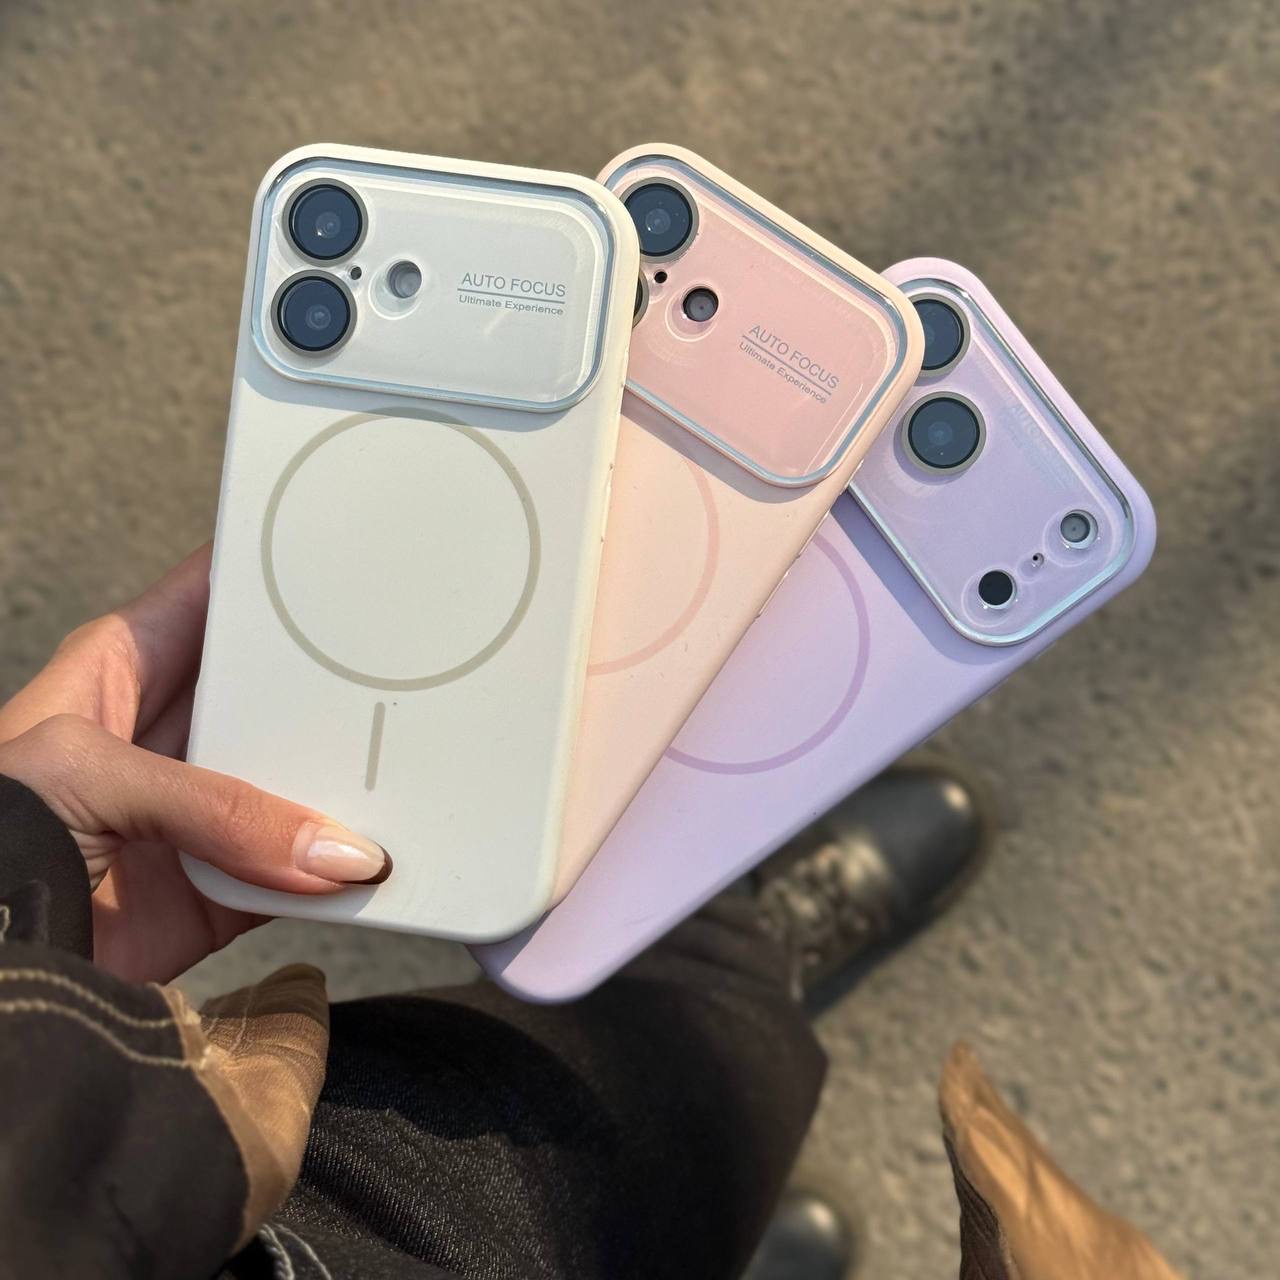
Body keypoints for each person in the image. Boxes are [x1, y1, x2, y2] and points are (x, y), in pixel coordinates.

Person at [0, 549, 1182, 1280]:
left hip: (202, 1217)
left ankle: (727, 967)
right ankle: (724, 1010)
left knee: (670, 1066)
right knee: (702, 1076)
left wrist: (24, 921)